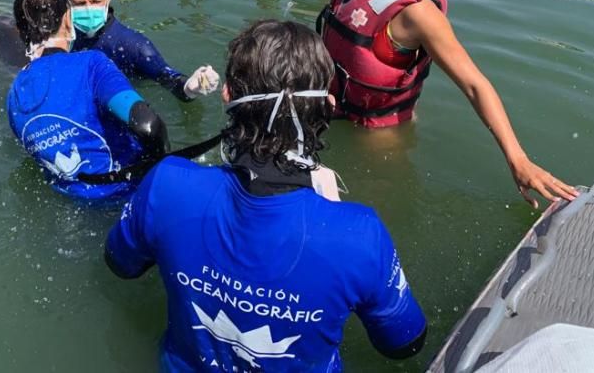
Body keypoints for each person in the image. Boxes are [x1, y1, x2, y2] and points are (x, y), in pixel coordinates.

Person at [106, 19, 428, 371]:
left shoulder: (166, 185)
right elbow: (404, 342)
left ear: (227, 94)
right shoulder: (359, 234)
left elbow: (121, 264)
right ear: (329, 105)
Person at [313, 0, 577, 207]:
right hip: (337, 111)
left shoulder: (417, 14)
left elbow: (474, 84)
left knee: (376, 207)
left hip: (378, 138)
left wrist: (518, 159)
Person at [6, 0, 169, 201]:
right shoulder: (91, 64)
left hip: (74, 202)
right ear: (67, 19)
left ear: (19, 31)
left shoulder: (13, 95)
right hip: (130, 194)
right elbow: (148, 126)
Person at [66, 0, 219, 101]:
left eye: (95, 1)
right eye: (80, 3)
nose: (88, 9)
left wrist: (190, 88)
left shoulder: (133, 45)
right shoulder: (62, 36)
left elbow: (168, 77)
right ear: (68, 2)